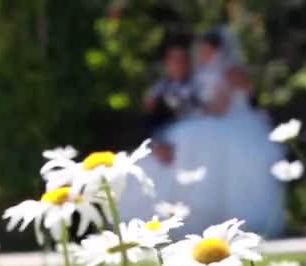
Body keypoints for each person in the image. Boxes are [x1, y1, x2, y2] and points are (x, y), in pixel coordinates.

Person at [119, 28, 285, 238]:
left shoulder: (229, 73)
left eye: (208, 51)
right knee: (185, 141)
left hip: (233, 124)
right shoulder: (182, 82)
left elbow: (223, 106)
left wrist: (201, 111)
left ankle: (235, 222)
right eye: (201, 51)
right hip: (205, 124)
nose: (203, 55)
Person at [143, 38, 196, 164]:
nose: (179, 63)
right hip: (170, 150)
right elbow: (149, 124)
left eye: (183, 59)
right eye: (174, 59)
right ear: (166, 63)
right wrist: (156, 144)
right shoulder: (158, 91)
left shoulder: (201, 85)